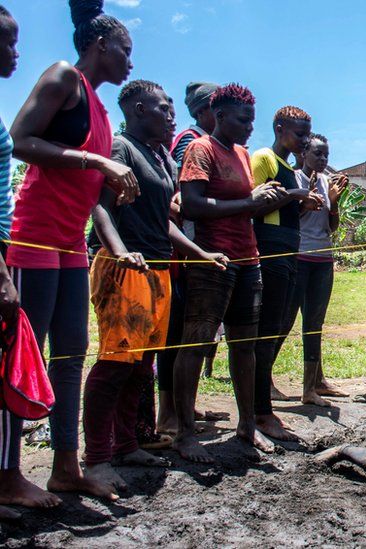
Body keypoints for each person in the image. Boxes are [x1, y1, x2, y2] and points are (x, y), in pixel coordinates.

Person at [7, 0, 137, 500]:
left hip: (69, 244)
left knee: (69, 355)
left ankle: (65, 467)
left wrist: (110, 181)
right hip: (34, 236)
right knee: (26, 354)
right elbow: (20, 139)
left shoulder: (102, 108)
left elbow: (89, 178)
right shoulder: (64, 77)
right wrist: (96, 162)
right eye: (126, 51)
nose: (130, 61)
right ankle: (8, 473)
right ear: (99, 45)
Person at [82, 80, 228, 491]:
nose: (170, 114)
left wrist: (197, 253)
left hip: (158, 268)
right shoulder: (120, 148)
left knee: (142, 366)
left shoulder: (161, 155)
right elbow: (100, 207)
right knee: (115, 363)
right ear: (138, 107)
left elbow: (163, 218)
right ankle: (96, 457)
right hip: (125, 269)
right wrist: (121, 251)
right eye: (163, 108)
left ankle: (127, 443)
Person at [172, 83, 285, 463]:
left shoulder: (241, 152)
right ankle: (185, 435)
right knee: (197, 342)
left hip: (248, 258)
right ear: (219, 116)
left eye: (252, 120)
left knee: (245, 345)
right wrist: (247, 202)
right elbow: (191, 205)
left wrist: (267, 200)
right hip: (213, 261)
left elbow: (243, 207)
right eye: (244, 119)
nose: (250, 127)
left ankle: (247, 426)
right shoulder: (200, 150)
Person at [0, 4, 61, 518]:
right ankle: (7, 477)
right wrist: (1, 271)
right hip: (15, 253)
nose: (16, 52)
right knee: (10, 367)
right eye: (8, 41)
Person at [250, 105, 323, 442]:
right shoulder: (264, 158)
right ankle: (260, 412)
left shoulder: (289, 170)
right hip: (270, 248)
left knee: (276, 327)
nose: (304, 141)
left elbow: (281, 205)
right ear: (280, 129)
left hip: (288, 249)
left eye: (307, 134)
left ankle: (262, 409)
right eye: (299, 134)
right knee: (266, 331)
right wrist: (296, 195)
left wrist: (299, 202)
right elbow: (255, 205)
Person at [156, 80, 223, 436]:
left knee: (191, 334)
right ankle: (168, 412)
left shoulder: (208, 141)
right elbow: (184, 192)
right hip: (185, 249)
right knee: (177, 334)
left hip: (194, 246)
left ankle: (186, 406)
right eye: (219, 107)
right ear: (203, 110)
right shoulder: (190, 140)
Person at [280, 133, 349, 407]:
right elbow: (288, 219)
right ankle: (265, 381)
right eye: (318, 154)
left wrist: (334, 202)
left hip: (323, 259)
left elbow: (331, 227)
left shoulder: (325, 182)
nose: (323, 159)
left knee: (314, 324)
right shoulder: (293, 179)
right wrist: (303, 202)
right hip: (299, 257)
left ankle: (313, 386)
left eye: (326, 155)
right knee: (284, 321)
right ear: (303, 154)